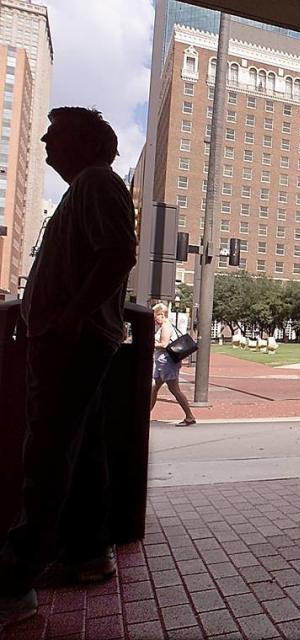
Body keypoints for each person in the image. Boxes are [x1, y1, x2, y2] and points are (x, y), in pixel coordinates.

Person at [0, 107, 137, 628]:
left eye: (55, 135)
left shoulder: (96, 183)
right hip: (72, 340)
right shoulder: (88, 187)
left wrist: (69, 316)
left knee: (49, 451)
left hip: (72, 343)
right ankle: (86, 551)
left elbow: (118, 252)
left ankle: (14, 581)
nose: (43, 141)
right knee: (79, 450)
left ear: (83, 142)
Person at [150, 303, 197, 426]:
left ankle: (189, 416)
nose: (154, 319)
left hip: (167, 363)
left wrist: (150, 343)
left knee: (174, 389)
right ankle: (144, 415)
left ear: (161, 314)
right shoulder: (164, 326)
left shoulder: (166, 327)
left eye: (155, 317)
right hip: (162, 362)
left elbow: (164, 344)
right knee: (154, 389)